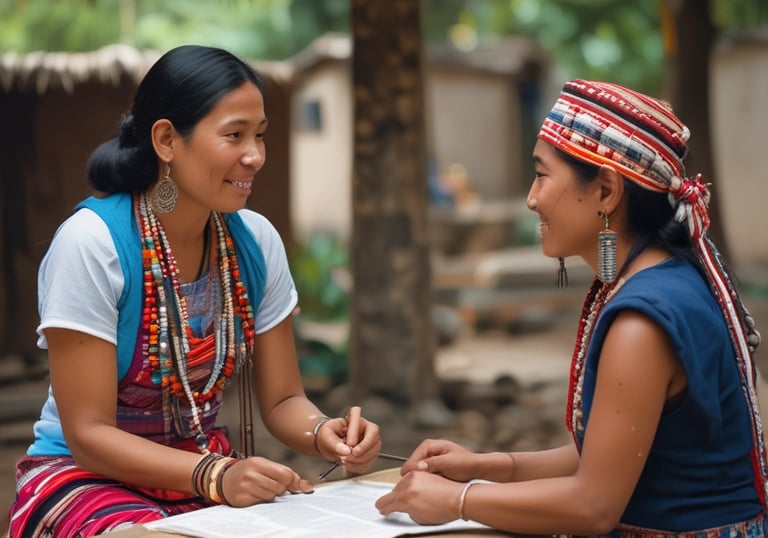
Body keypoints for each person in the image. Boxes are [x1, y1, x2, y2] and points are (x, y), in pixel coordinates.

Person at [6, 44, 381, 537]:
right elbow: (89, 434)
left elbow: (284, 399)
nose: (255, 156)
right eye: (234, 135)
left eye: (260, 135)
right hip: (86, 480)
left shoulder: (255, 242)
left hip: (207, 475)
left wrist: (323, 432)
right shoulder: (92, 244)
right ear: (166, 140)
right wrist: (216, 475)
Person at [376, 79, 765, 535]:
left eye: (541, 175)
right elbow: (605, 457)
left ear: (606, 190)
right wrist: (484, 465)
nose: (531, 198)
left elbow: (593, 505)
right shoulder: (664, 281)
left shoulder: (642, 322)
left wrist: (457, 501)